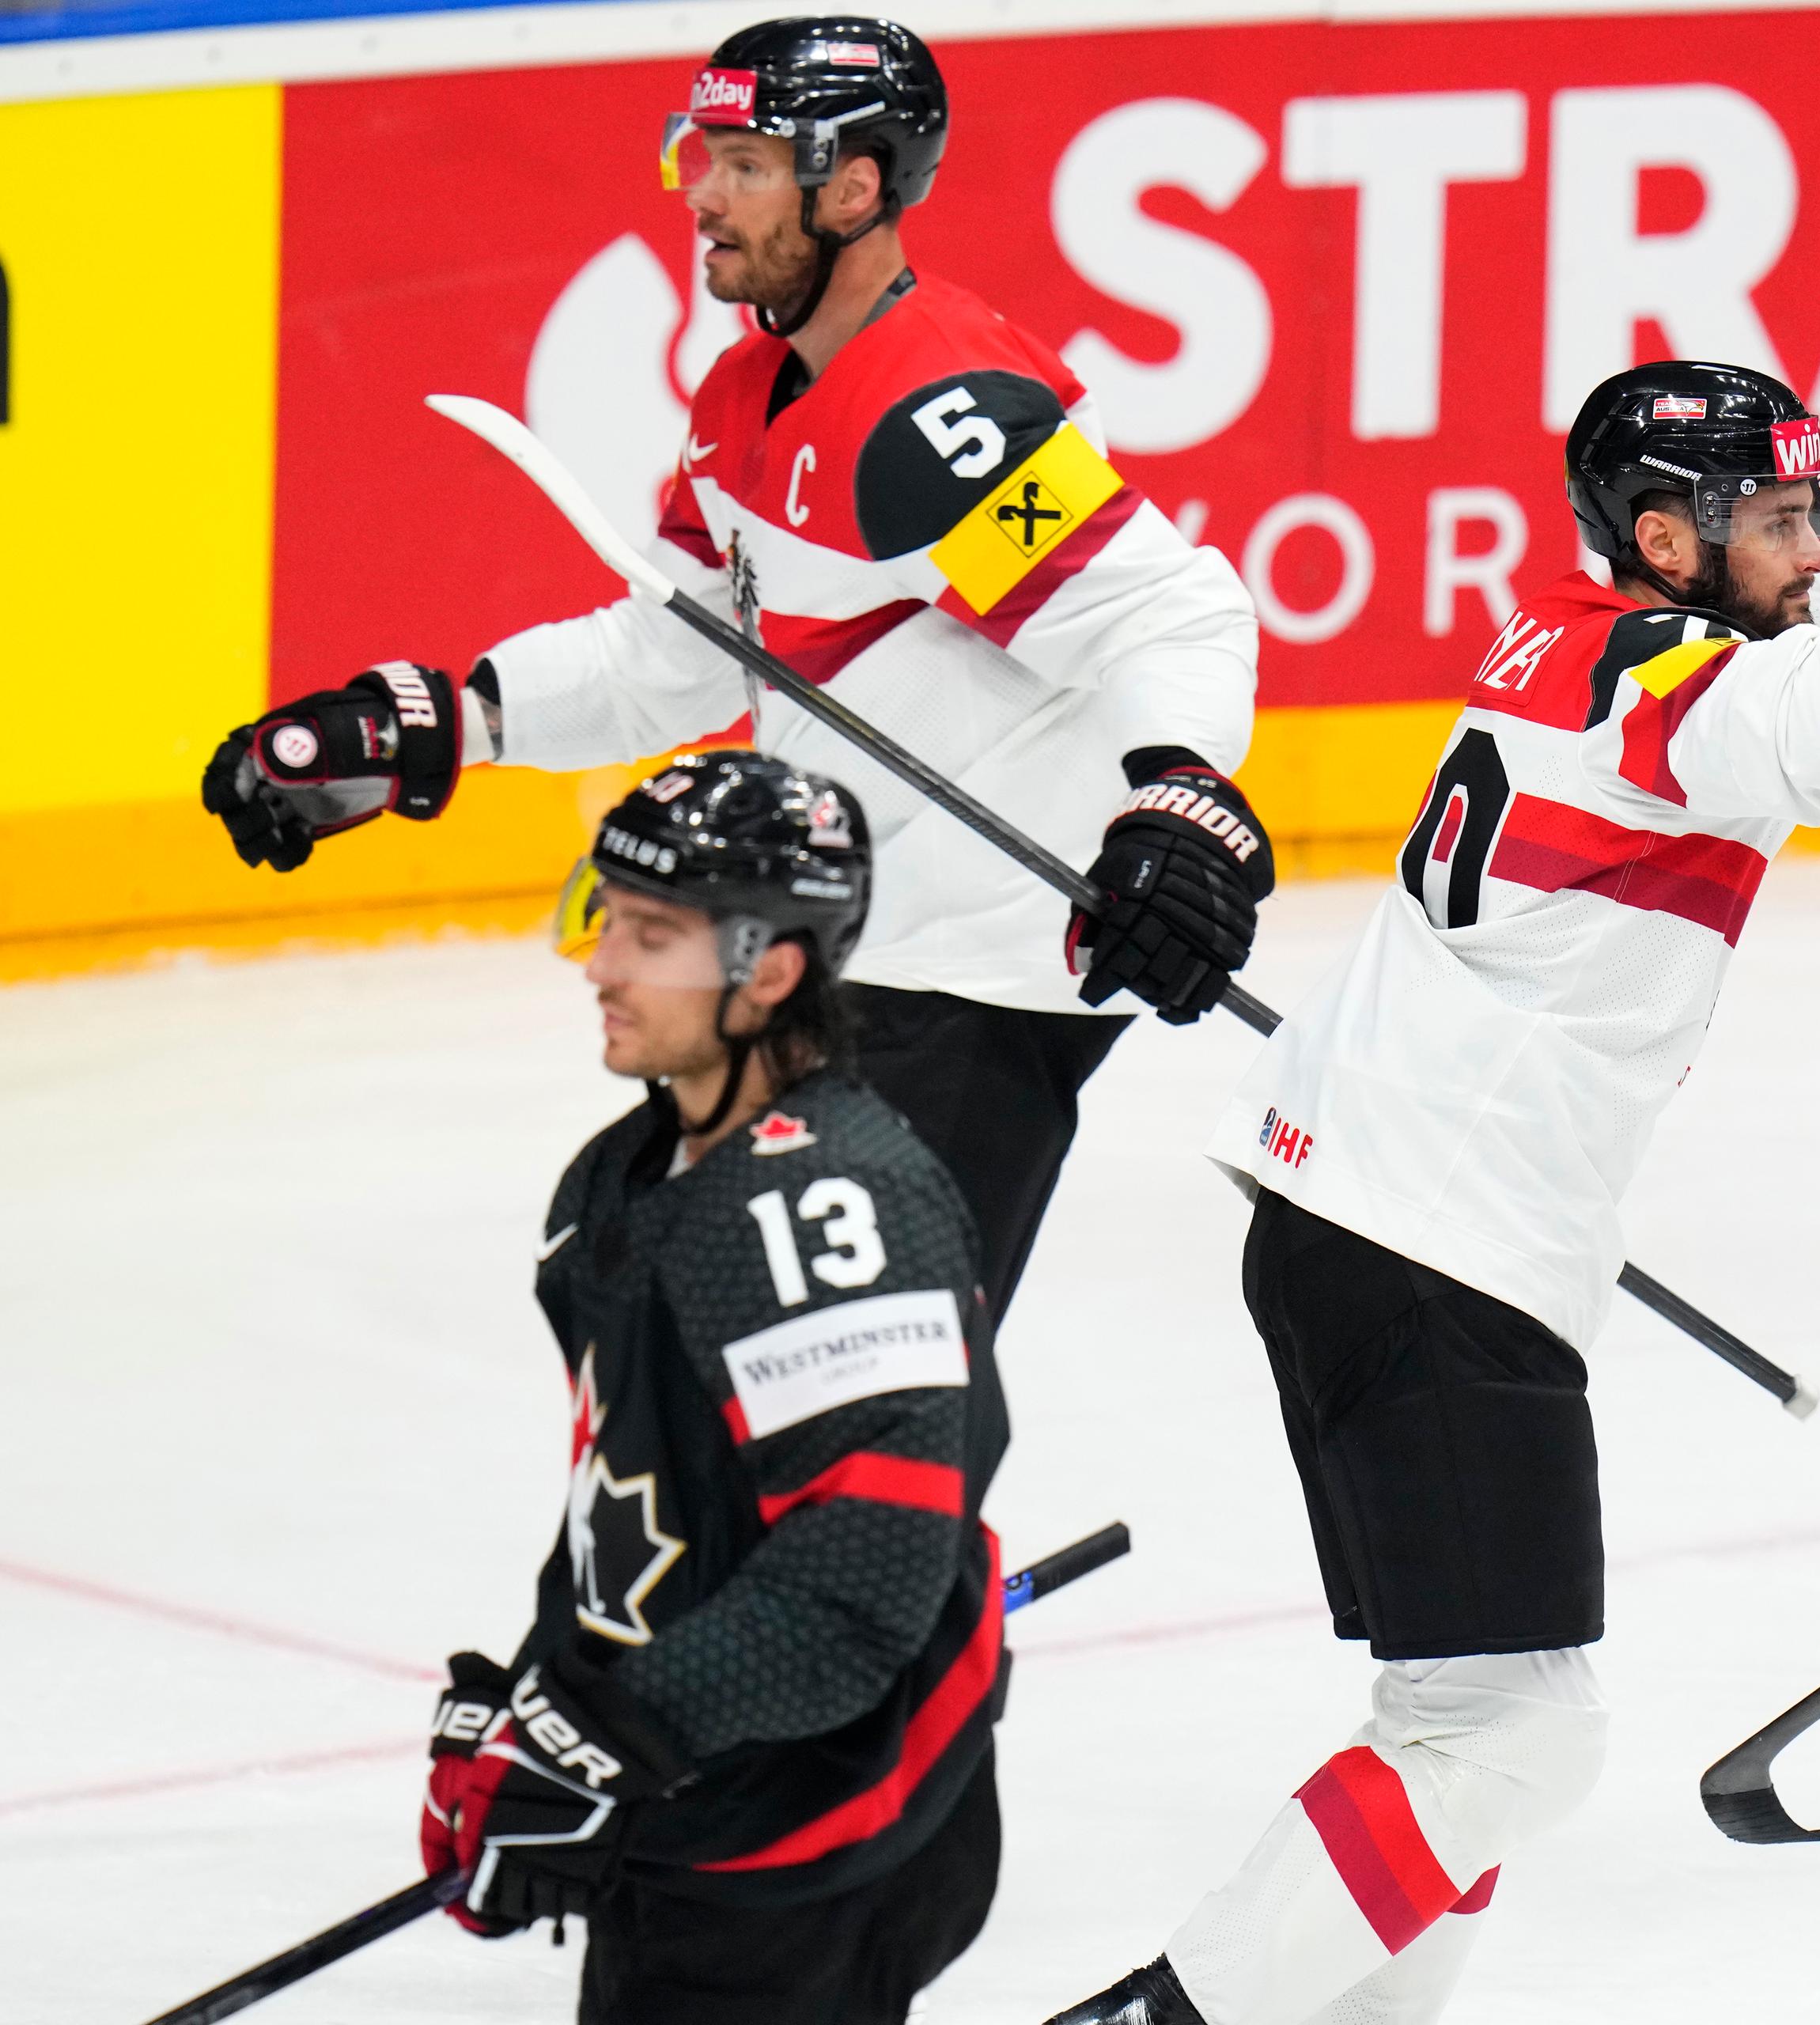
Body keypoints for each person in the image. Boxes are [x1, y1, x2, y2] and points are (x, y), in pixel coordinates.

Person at [1043, 361, 1820, 2025]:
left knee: (1462, 1726)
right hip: (1435, 1244)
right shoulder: (1676, 693)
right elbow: (1791, 732)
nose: (1814, 547)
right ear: (1665, 535)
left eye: (1816, 515)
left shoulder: (1582, 631)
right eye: (1782, 520)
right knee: (1518, 1738)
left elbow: (1769, 659)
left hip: (1367, 1218)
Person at [199, 15, 1272, 1330]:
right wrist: (447, 721)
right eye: (699, 153)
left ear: (855, 185)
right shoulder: (745, 391)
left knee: (862, 1372)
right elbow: (677, 649)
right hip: (855, 957)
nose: (701, 191)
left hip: (971, 983)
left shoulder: (939, 418)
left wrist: (1181, 802)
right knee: (691, 1327)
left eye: (746, 162)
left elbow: (1165, 618)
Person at [419, 750, 1012, 2019]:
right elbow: (637, 1504)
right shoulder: (621, 1180)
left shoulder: (829, 1211)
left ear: (771, 969)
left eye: (651, 936)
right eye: (605, 918)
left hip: (811, 1845)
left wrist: (599, 1740)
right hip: (689, 1807)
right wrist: (537, 1709)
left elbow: (858, 1592)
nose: (601, 966)